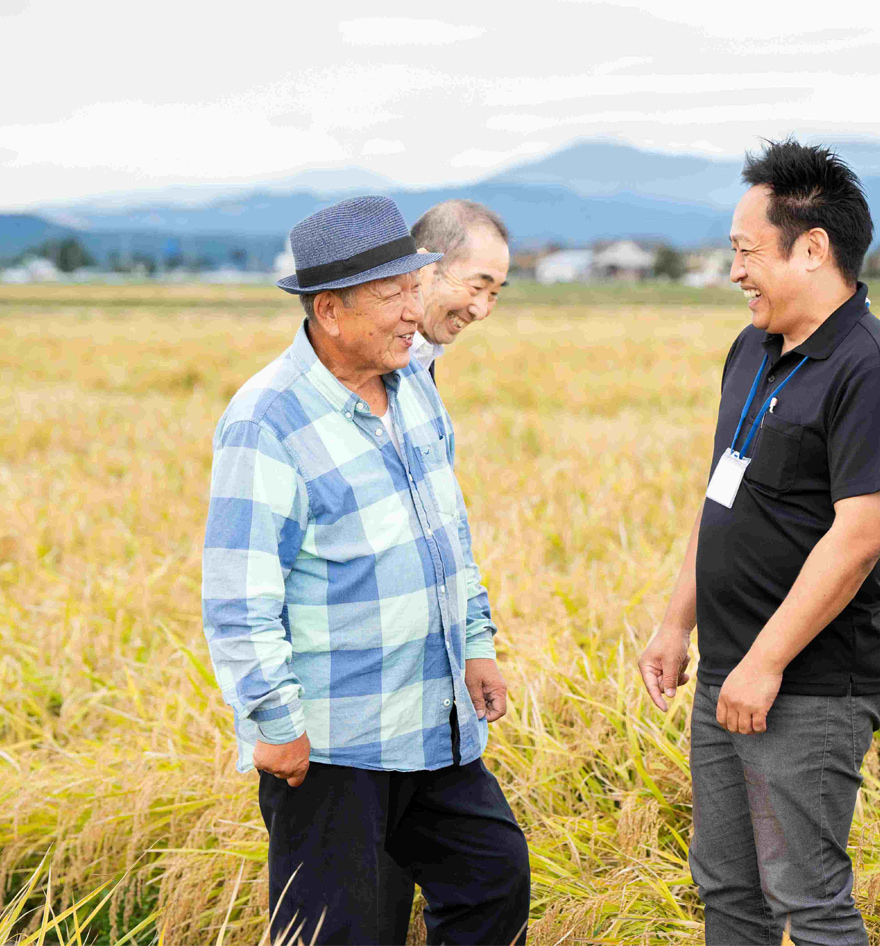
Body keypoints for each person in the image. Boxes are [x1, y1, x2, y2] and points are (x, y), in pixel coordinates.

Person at [200, 195, 529, 945]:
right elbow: (238, 597)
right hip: (334, 745)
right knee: (338, 932)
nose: (414, 311)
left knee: (493, 878)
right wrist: (275, 724)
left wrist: (476, 641)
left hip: (432, 723)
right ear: (330, 310)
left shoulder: (414, 387)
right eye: (392, 296)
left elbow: (450, 533)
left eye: (415, 287)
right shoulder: (267, 420)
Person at [638, 139, 880, 946]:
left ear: (812, 249)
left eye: (745, 251)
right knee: (728, 891)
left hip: (807, 688)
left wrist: (765, 664)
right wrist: (675, 624)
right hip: (727, 674)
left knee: (808, 897)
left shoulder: (872, 365)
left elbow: (860, 535)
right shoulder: (755, 350)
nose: (735, 271)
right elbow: (719, 493)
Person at [408, 199, 510, 378]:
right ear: (422, 268)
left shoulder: (422, 355)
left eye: (494, 293)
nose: (481, 311)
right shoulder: (366, 365)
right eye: (476, 286)